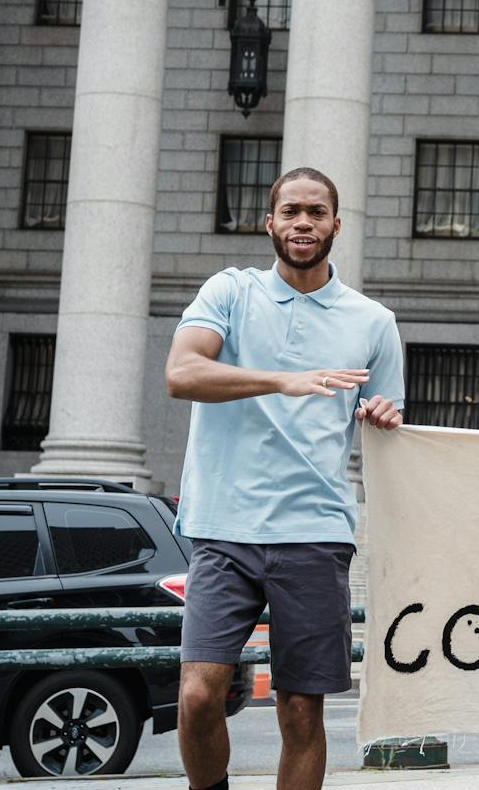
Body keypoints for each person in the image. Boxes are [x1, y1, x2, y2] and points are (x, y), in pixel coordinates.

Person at [164, 167, 404, 790]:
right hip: (223, 527)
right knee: (197, 694)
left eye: (316, 212)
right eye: (291, 211)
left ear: (336, 225)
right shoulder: (230, 292)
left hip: (314, 532)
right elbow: (182, 372)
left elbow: (386, 423)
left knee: (300, 710)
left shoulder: (373, 321)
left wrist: (382, 415)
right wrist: (279, 378)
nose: (304, 222)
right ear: (269, 222)